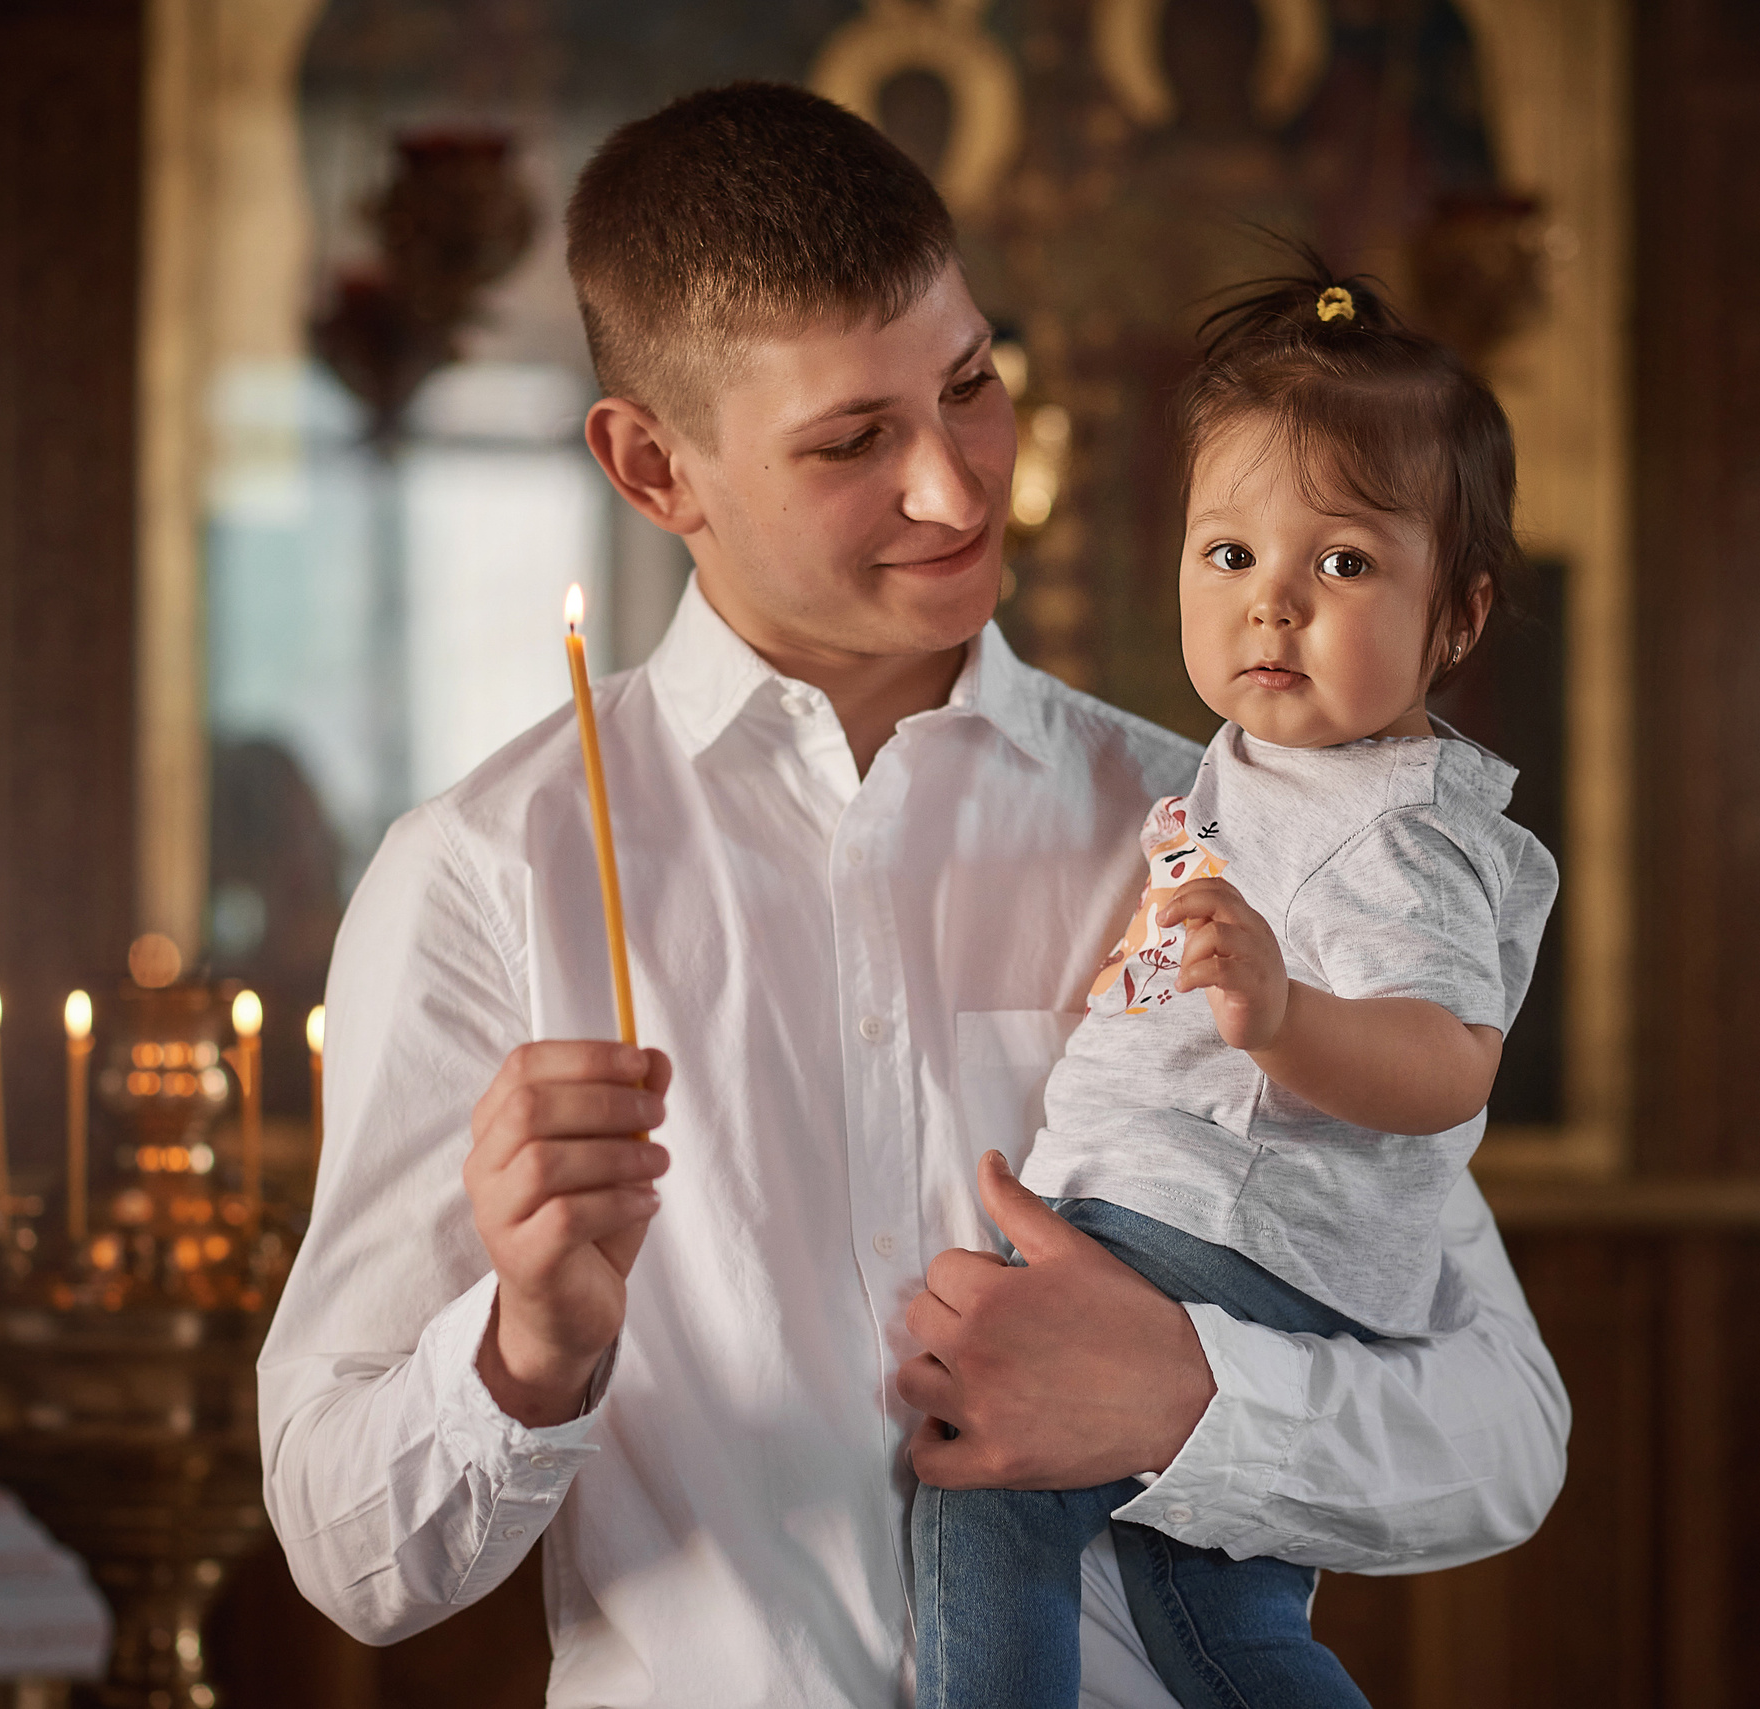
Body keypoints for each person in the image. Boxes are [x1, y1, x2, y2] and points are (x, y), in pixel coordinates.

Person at [258, 84, 1569, 1708]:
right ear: (653, 465)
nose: (958, 490)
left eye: (969, 387)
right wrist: (530, 1347)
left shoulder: (1225, 825)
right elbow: (344, 1548)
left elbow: (1504, 1429)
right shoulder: (480, 874)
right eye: (852, 441)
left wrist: (1186, 1400)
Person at [911, 257, 1556, 1709]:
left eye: (1341, 564)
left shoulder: (1400, 823)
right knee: (1218, 1613)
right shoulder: (1261, 775)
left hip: (1237, 1226)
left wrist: (1285, 1017)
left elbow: (1453, 1056)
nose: (1273, 607)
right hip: (1231, 1220)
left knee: (986, 1476)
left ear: (1455, 616)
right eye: (1229, 555)